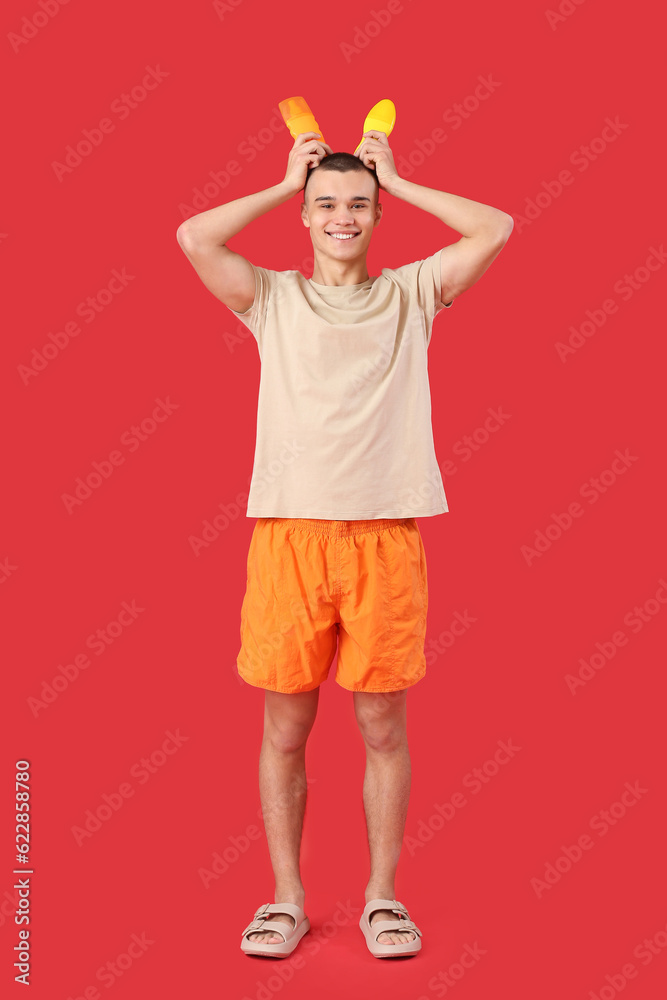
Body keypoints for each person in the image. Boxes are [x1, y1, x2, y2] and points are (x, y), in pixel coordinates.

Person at [176, 128, 513, 958]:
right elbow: (193, 237)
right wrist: (283, 178)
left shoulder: (412, 294)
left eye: (357, 205)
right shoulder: (271, 298)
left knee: (383, 729)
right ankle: (286, 899)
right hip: (289, 537)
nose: (341, 217)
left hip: (385, 539)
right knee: (284, 730)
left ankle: (382, 899)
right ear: (302, 215)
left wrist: (394, 176)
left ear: (376, 215)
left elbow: (494, 227)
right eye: (324, 205)